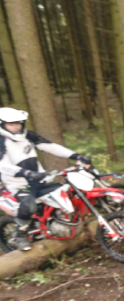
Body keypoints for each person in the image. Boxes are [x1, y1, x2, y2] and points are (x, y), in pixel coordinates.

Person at [0, 107, 92, 251]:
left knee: (66, 193)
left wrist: (76, 156)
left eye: (18, 123)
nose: (16, 126)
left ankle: (63, 224)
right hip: (19, 184)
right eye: (11, 124)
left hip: (40, 180)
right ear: (2, 124)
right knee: (29, 205)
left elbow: (51, 147)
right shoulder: (1, 142)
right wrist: (26, 172)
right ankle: (21, 235)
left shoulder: (28, 135)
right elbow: (2, 165)